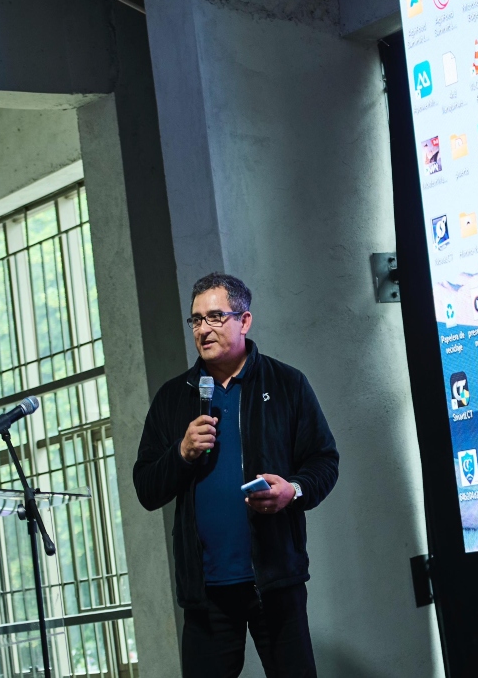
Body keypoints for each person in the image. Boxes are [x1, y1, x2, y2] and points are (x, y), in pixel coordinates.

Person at [133, 272, 339, 678]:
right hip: (205, 592)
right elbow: (146, 487)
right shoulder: (173, 397)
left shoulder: (286, 384)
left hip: (275, 583)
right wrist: (181, 453)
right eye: (196, 320)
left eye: (215, 317)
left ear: (244, 321)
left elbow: (324, 461)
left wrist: (293, 490)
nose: (203, 329)